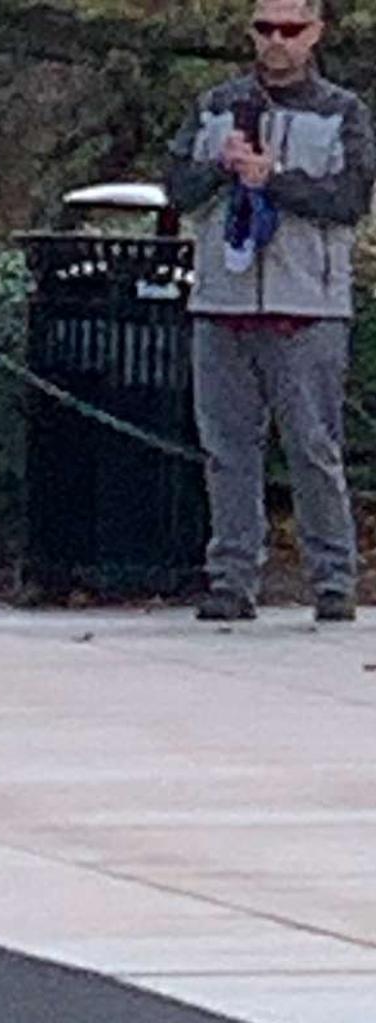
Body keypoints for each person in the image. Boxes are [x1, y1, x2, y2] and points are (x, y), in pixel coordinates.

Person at [165, 0, 370, 624]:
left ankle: (333, 580)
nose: (276, 42)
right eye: (264, 29)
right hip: (222, 303)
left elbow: (349, 199)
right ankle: (231, 578)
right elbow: (176, 189)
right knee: (227, 449)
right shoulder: (215, 106)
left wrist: (273, 178)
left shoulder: (342, 112)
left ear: (316, 35)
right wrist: (218, 167)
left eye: (291, 30)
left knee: (313, 448)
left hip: (306, 305)